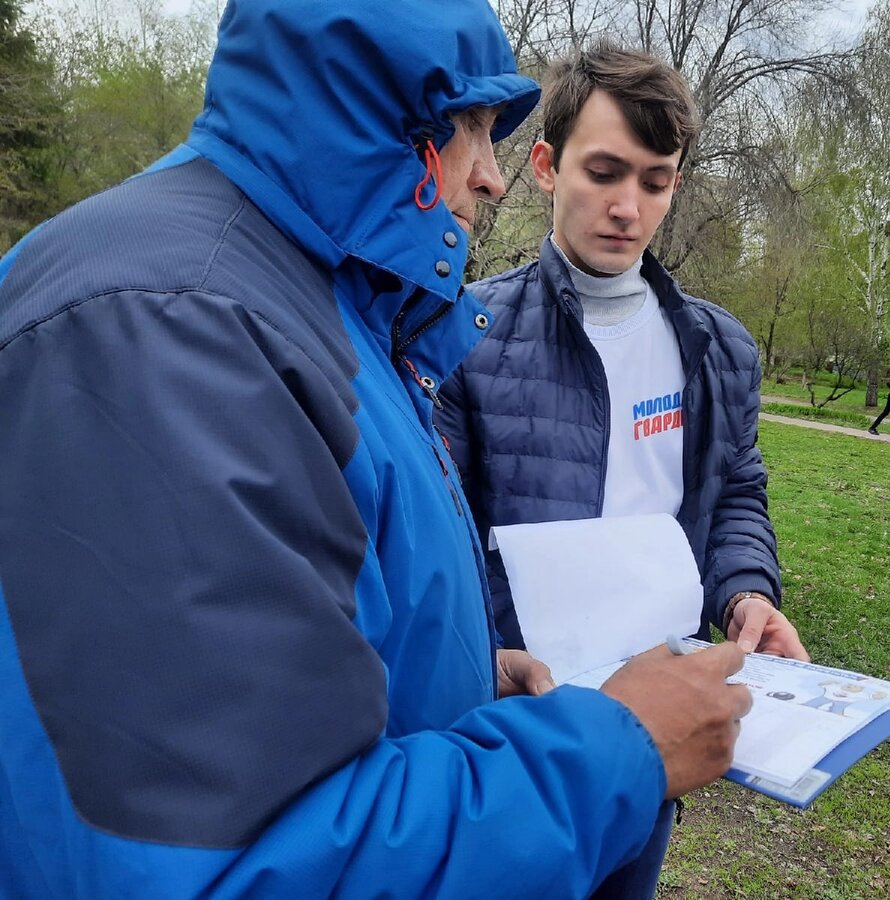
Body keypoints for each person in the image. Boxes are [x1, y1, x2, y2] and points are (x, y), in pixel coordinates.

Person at [0, 3, 753, 897]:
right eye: (471, 127)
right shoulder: (174, 332)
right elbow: (237, 859)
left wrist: (465, 678)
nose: (492, 178)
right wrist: (612, 754)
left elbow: (313, 623)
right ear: (373, 118)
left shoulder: (324, 308)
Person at [436, 43, 808, 898]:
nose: (627, 206)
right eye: (603, 171)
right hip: (515, 727)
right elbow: (433, 532)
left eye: (655, 180)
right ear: (543, 165)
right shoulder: (463, 334)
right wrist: (485, 658)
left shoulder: (717, 346)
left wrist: (748, 593)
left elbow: (736, 491)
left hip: (657, 721)